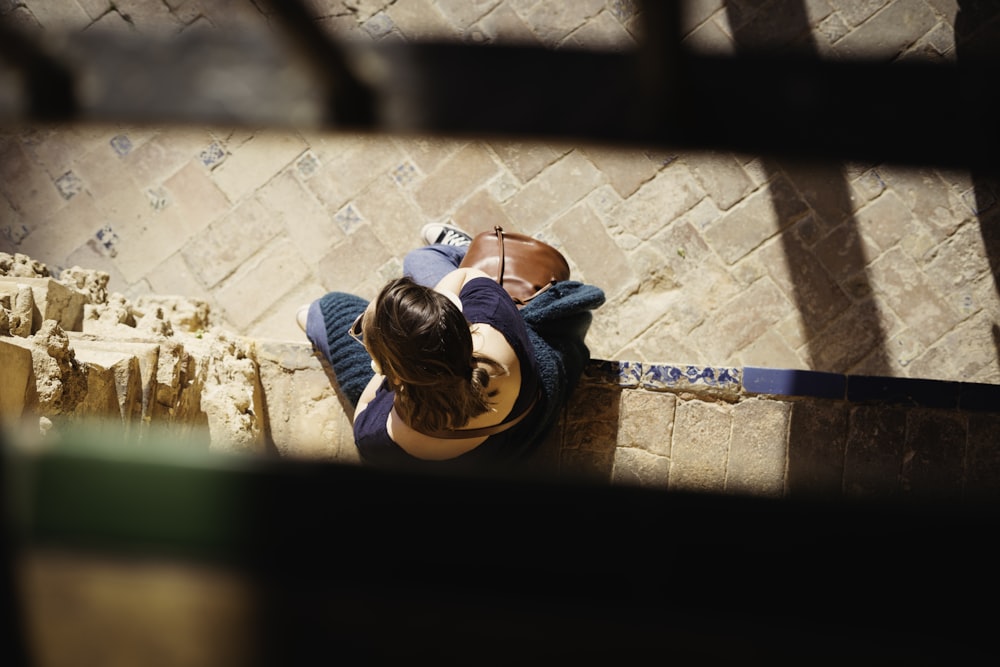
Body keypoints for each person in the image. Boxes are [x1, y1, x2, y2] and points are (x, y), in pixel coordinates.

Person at [300, 223, 604, 473]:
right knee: (418, 261)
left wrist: (387, 364)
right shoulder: (493, 324)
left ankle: (327, 316)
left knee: (316, 312)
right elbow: (468, 276)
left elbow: (366, 406)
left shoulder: (380, 435)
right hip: (521, 427)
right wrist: (432, 313)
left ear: (383, 369)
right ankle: (459, 248)